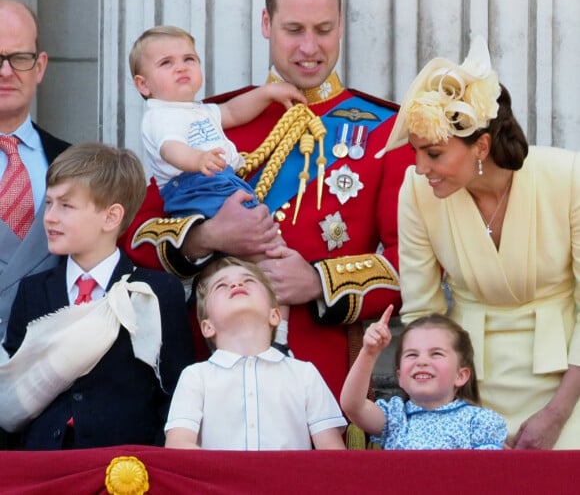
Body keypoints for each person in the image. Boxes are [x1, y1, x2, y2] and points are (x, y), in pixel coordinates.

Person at [120, 0, 415, 404]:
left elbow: (415, 264)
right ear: (266, 23)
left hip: (328, 374)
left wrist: (320, 282)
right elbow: (136, 237)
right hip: (213, 372)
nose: (310, 47)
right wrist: (205, 236)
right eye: (294, 29)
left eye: (324, 29)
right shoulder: (209, 121)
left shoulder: (385, 132)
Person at [375, 35, 580, 449]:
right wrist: (445, 410)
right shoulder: (415, 192)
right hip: (466, 390)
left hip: (570, 385)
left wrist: (559, 412)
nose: (419, 168)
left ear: (481, 146)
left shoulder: (569, 177)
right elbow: (422, 312)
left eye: (433, 154)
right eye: (416, 153)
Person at [2, 142, 195, 449]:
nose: (49, 218)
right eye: (48, 203)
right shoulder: (33, 291)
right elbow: (12, 392)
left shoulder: (156, 292)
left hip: (127, 468)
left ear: (111, 217)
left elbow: (177, 391)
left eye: (66, 206)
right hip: (42, 466)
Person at [164, 256, 346, 450]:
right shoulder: (195, 377)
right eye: (220, 285)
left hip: (290, 480)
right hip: (219, 480)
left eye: (249, 280)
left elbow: (332, 453)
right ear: (207, 327)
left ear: (275, 315)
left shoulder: (304, 374)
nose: (236, 283)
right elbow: (178, 445)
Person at [129, 25, 306, 220]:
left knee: (256, 224)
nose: (181, 67)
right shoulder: (161, 116)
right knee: (246, 225)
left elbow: (233, 111)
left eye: (189, 59)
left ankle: (272, 249)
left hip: (218, 182)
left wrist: (267, 93)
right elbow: (170, 149)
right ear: (143, 85)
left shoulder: (199, 110)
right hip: (193, 187)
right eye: (166, 63)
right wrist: (197, 160)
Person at [0, 0, 69, 342]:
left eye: (20, 58)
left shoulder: (73, 162)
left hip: (50, 372)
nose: (6, 71)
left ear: (39, 67)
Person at [340, 305, 507, 449]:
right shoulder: (394, 418)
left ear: (461, 375)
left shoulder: (479, 422)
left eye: (436, 354)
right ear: (400, 377)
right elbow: (353, 406)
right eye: (412, 354)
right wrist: (369, 353)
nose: (422, 361)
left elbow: (486, 477)